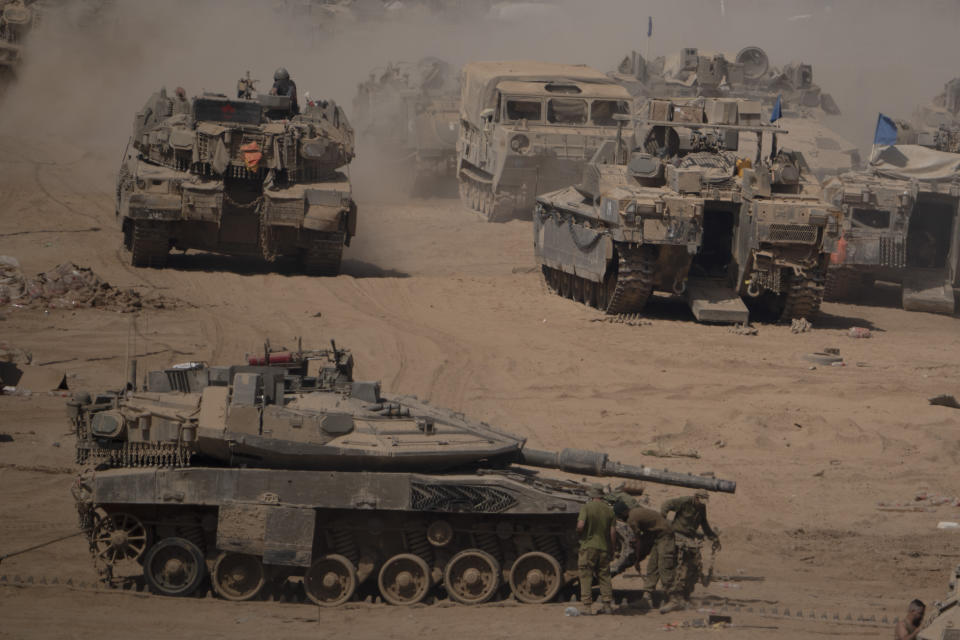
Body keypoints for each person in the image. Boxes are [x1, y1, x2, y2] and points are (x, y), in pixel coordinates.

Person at [613, 501, 680, 612]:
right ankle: (646, 598)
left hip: (665, 535)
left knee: (664, 566)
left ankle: (674, 599)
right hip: (656, 536)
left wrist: (637, 560)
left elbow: (638, 542)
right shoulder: (634, 512)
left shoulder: (631, 519)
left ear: (623, 513)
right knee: (652, 567)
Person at [660, 490, 720, 606]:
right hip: (677, 536)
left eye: (704, 501)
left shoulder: (702, 507)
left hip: (690, 539)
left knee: (693, 568)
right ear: (696, 498)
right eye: (701, 501)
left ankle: (685, 595)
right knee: (678, 567)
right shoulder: (684, 501)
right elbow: (666, 504)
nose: (702, 503)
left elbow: (704, 524)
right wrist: (663, 523)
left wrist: (713, 537)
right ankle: (672, 595)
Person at [577, 484, 616, 615]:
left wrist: (579, 533)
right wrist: (612, 548)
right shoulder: (610, 510)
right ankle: (607, 605)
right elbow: (612, 533)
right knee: (605, 576)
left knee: (586, 575)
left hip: (588, 547)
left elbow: (580, 525)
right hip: (604, 548)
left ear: (592, 495)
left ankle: (587, 607)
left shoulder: (587, 507)